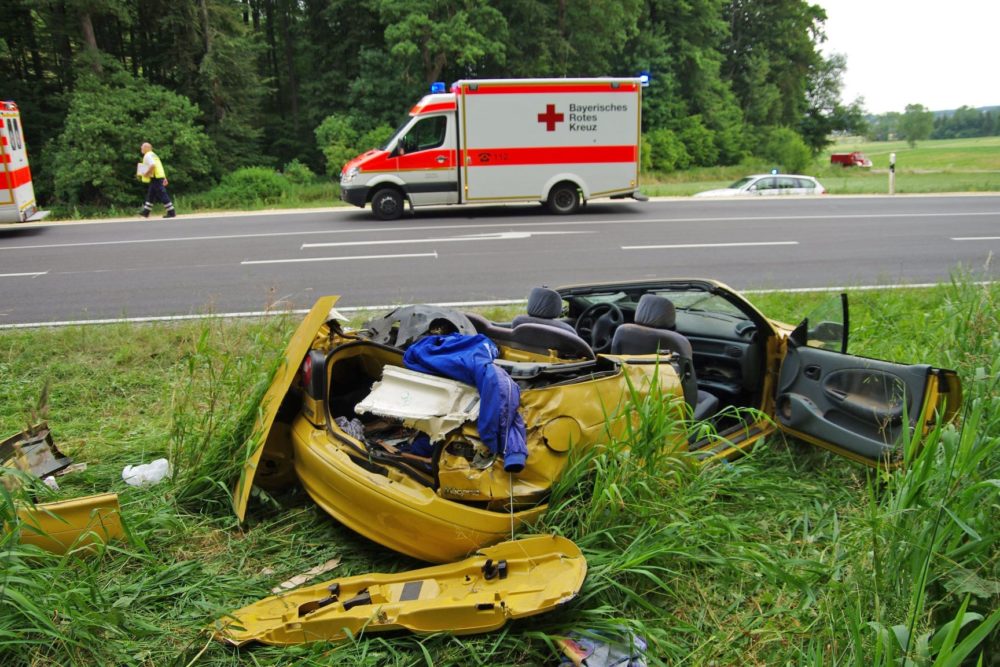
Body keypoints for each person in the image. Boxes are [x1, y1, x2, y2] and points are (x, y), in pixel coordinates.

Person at [137, 142, 176, 218]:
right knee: (151, 195)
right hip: (158, 177)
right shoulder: (154, 155)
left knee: (162, 194)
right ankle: (146, 212)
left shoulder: (147, 155)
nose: (141, 149)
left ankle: (171, 212)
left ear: (146, 148)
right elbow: (159, 166)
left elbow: (153, 165)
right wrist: (164, 177)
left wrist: (146, 173)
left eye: (142, 147)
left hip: (156, 178)